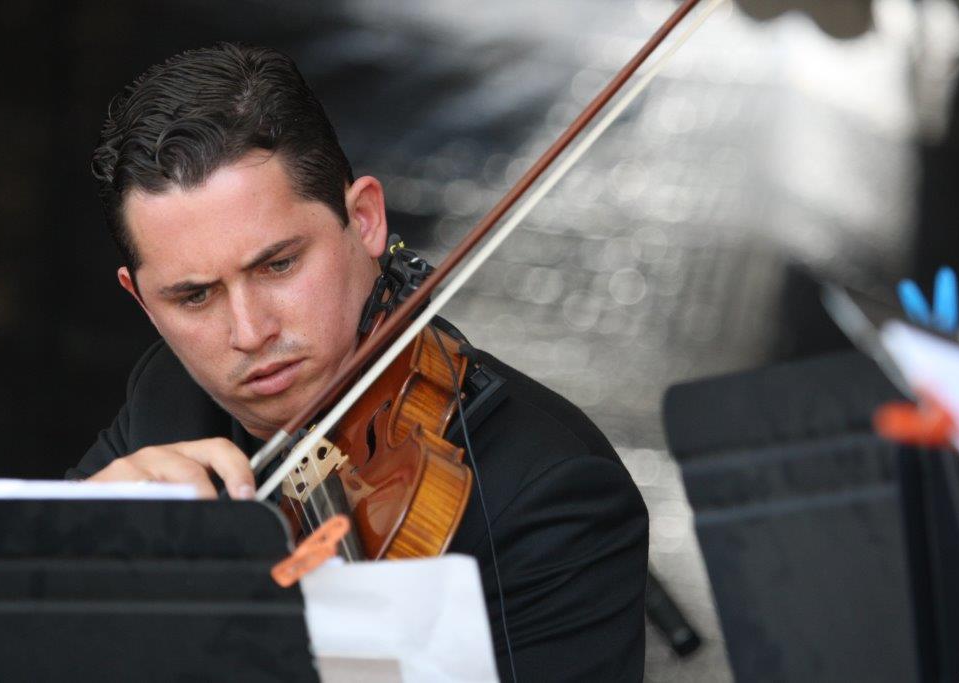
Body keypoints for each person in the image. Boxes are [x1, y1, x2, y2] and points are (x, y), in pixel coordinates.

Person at [70, 43, 649, 681]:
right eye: (194, 296)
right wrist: (73, 545)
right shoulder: (167, 401)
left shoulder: (549, 494)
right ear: (142, 300)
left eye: (279, 264)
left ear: (365, 219)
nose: (249, 332)